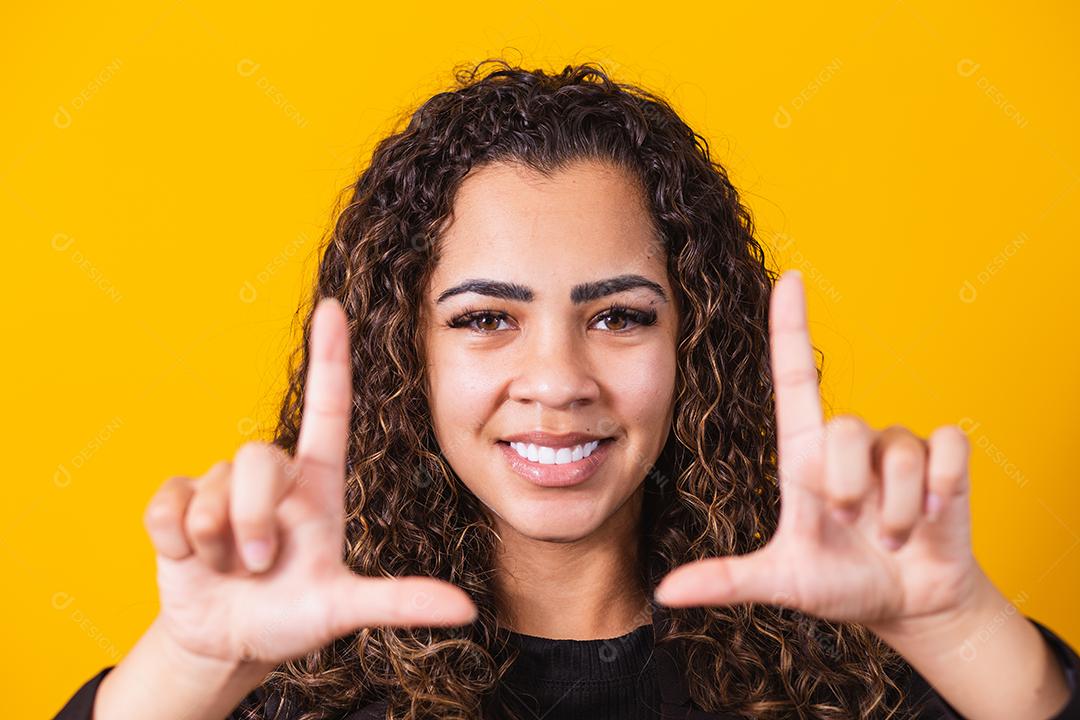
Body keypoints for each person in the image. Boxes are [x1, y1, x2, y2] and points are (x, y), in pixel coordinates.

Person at [55, 60, 1080, 720]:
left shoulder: (844, 681)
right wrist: (189, 665)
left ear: (698, 342)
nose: (556, 380)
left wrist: (955, 630)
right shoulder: (274, 679)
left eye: (621, 315)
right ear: (402, 356)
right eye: (484, 319)